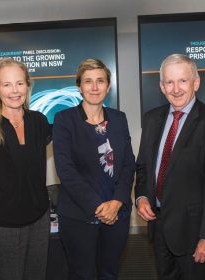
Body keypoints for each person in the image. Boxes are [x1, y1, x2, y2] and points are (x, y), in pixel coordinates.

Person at [134, 54, 205, 280]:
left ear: (196, 83)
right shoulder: (151, 119)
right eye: (169, 82)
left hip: (195, 235)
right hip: (159, 230)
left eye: (183, 81)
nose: (175, 89)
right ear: (161, 86)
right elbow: (143, 167)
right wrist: (141, 197)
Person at [53, 58, 135, 280]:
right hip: (79, 215)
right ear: (79, 87)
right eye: (88, 81)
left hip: (117, 214)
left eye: (100, 81)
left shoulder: (119, 119)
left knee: (109, 272)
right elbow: (66, 171)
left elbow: (128, 164)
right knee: (82, 274)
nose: (95, 87)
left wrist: (117, 202)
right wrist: (99, 207)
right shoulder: (64, 120)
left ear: (108, 86)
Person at [0, 58, 51, 280]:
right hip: (3, 225)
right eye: (7, 85)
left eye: (20, 83)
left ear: (27, 85)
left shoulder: (40, 121)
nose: (15, 91)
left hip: (39, 219)